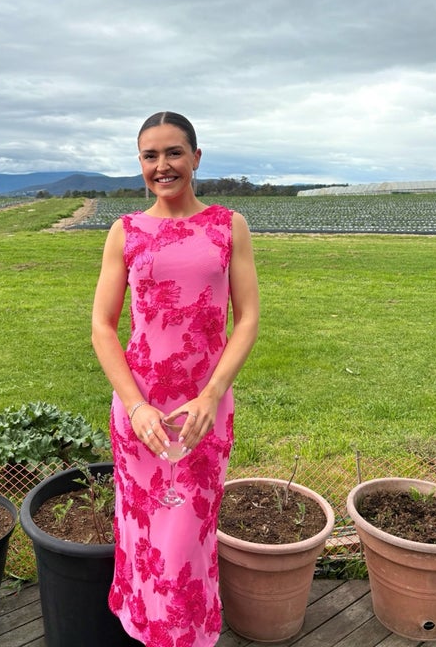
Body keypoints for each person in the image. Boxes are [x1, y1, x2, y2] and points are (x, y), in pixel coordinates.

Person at [92, 112, 259, 646]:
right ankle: (148, 632)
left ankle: (186, 636)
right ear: (140, 163)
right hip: (140, 412)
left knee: (187, 538)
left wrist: (212, 394)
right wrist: (135, 405)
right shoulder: (126, 231)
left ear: (196, 157)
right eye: (150, 155)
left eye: (173, 153)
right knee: (144, 535)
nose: (162, 166)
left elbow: (247, 318)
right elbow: (102, 327)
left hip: (203, 411)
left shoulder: (228, 227)